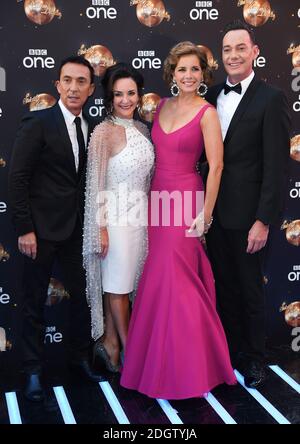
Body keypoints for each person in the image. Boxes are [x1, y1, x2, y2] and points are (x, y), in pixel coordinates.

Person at [120, 42, 236, 399]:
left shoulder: (207, 113)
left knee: (181, 281)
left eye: (195, 70)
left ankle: (193, 368)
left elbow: (215, 166)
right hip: (158, 199)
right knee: (157, 279)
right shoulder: (163, 108)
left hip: (186, 199)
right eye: (182, 69)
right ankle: (155, 365)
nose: (188, 75)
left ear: (204, 75)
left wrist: (206, 214)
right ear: (172, 73)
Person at [8, 55, 103, 402]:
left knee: (82, 300)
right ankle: (32, 370)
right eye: (68, 80)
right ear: (58, 85)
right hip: (41, 232)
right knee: (33, 303)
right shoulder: (38, 122)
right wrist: (25, 229)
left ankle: (79, 359)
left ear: (91, 89)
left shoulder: (90, 128)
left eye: (82, 82)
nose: (74, 87)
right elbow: (17, 179)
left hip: (77, 232)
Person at [205, 20, 291, 388]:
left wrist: (263, 220)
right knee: (223, 288)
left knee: (251, 289)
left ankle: (255, 360)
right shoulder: (209, 97)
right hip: (213, 215)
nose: (233, 55)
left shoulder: (271, 99)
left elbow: (277, 167)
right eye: (227, 50)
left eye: (241, 48)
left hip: (249, 216)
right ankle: (230, 354)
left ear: (255, 52)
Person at [83, 63, 154, 372]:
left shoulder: (143, 129)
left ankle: (110, 346)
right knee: (117, 288)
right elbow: (94, 184)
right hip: (113, 221)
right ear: (109, 98)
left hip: (140, 222)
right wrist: (98, 227)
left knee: (122, 288)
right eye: (118, 94)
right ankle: (131, 354)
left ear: (138, 95)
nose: (125, 100)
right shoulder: (102, 132)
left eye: (131, 93)